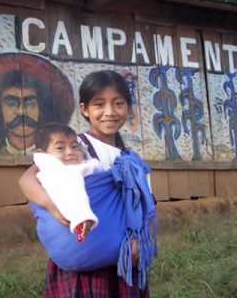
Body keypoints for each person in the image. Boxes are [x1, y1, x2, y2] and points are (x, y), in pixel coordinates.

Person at [19, 70, 153, 298]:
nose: (109, 112)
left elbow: (145, 206)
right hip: (85, 265)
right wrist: (52, 206)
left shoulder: (130, 159)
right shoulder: (74, 146)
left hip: (123, 259)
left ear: (128, 108)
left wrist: (142, 242)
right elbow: (27, 179)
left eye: (118, 103)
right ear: (84, 109)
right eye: (99, 104)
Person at [0, 53, 74, 155]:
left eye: (30, 103)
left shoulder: (58, 158)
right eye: (11, 104)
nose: (21, 111)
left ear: (42, 108)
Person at [33, 123, 100, 242]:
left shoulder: (88, 163)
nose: (70, 152)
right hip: (79, 217)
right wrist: (81, 216)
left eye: (74, 146)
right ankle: (81, 222)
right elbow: (69, 191)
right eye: (60, 148)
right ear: (43, 153)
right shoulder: (55, 172)